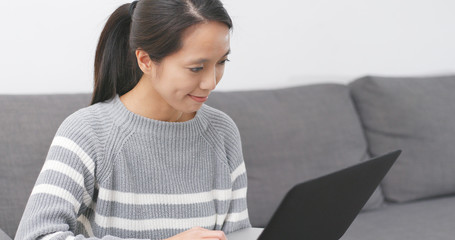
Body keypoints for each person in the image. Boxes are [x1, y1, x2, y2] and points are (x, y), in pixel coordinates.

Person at [15, 0, 251, 239]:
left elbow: (238, 235)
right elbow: (35, 236)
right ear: (146, 60)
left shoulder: (222, 132)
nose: (211, 82)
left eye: (221, 62)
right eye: (196, 68)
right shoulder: (88, 133)